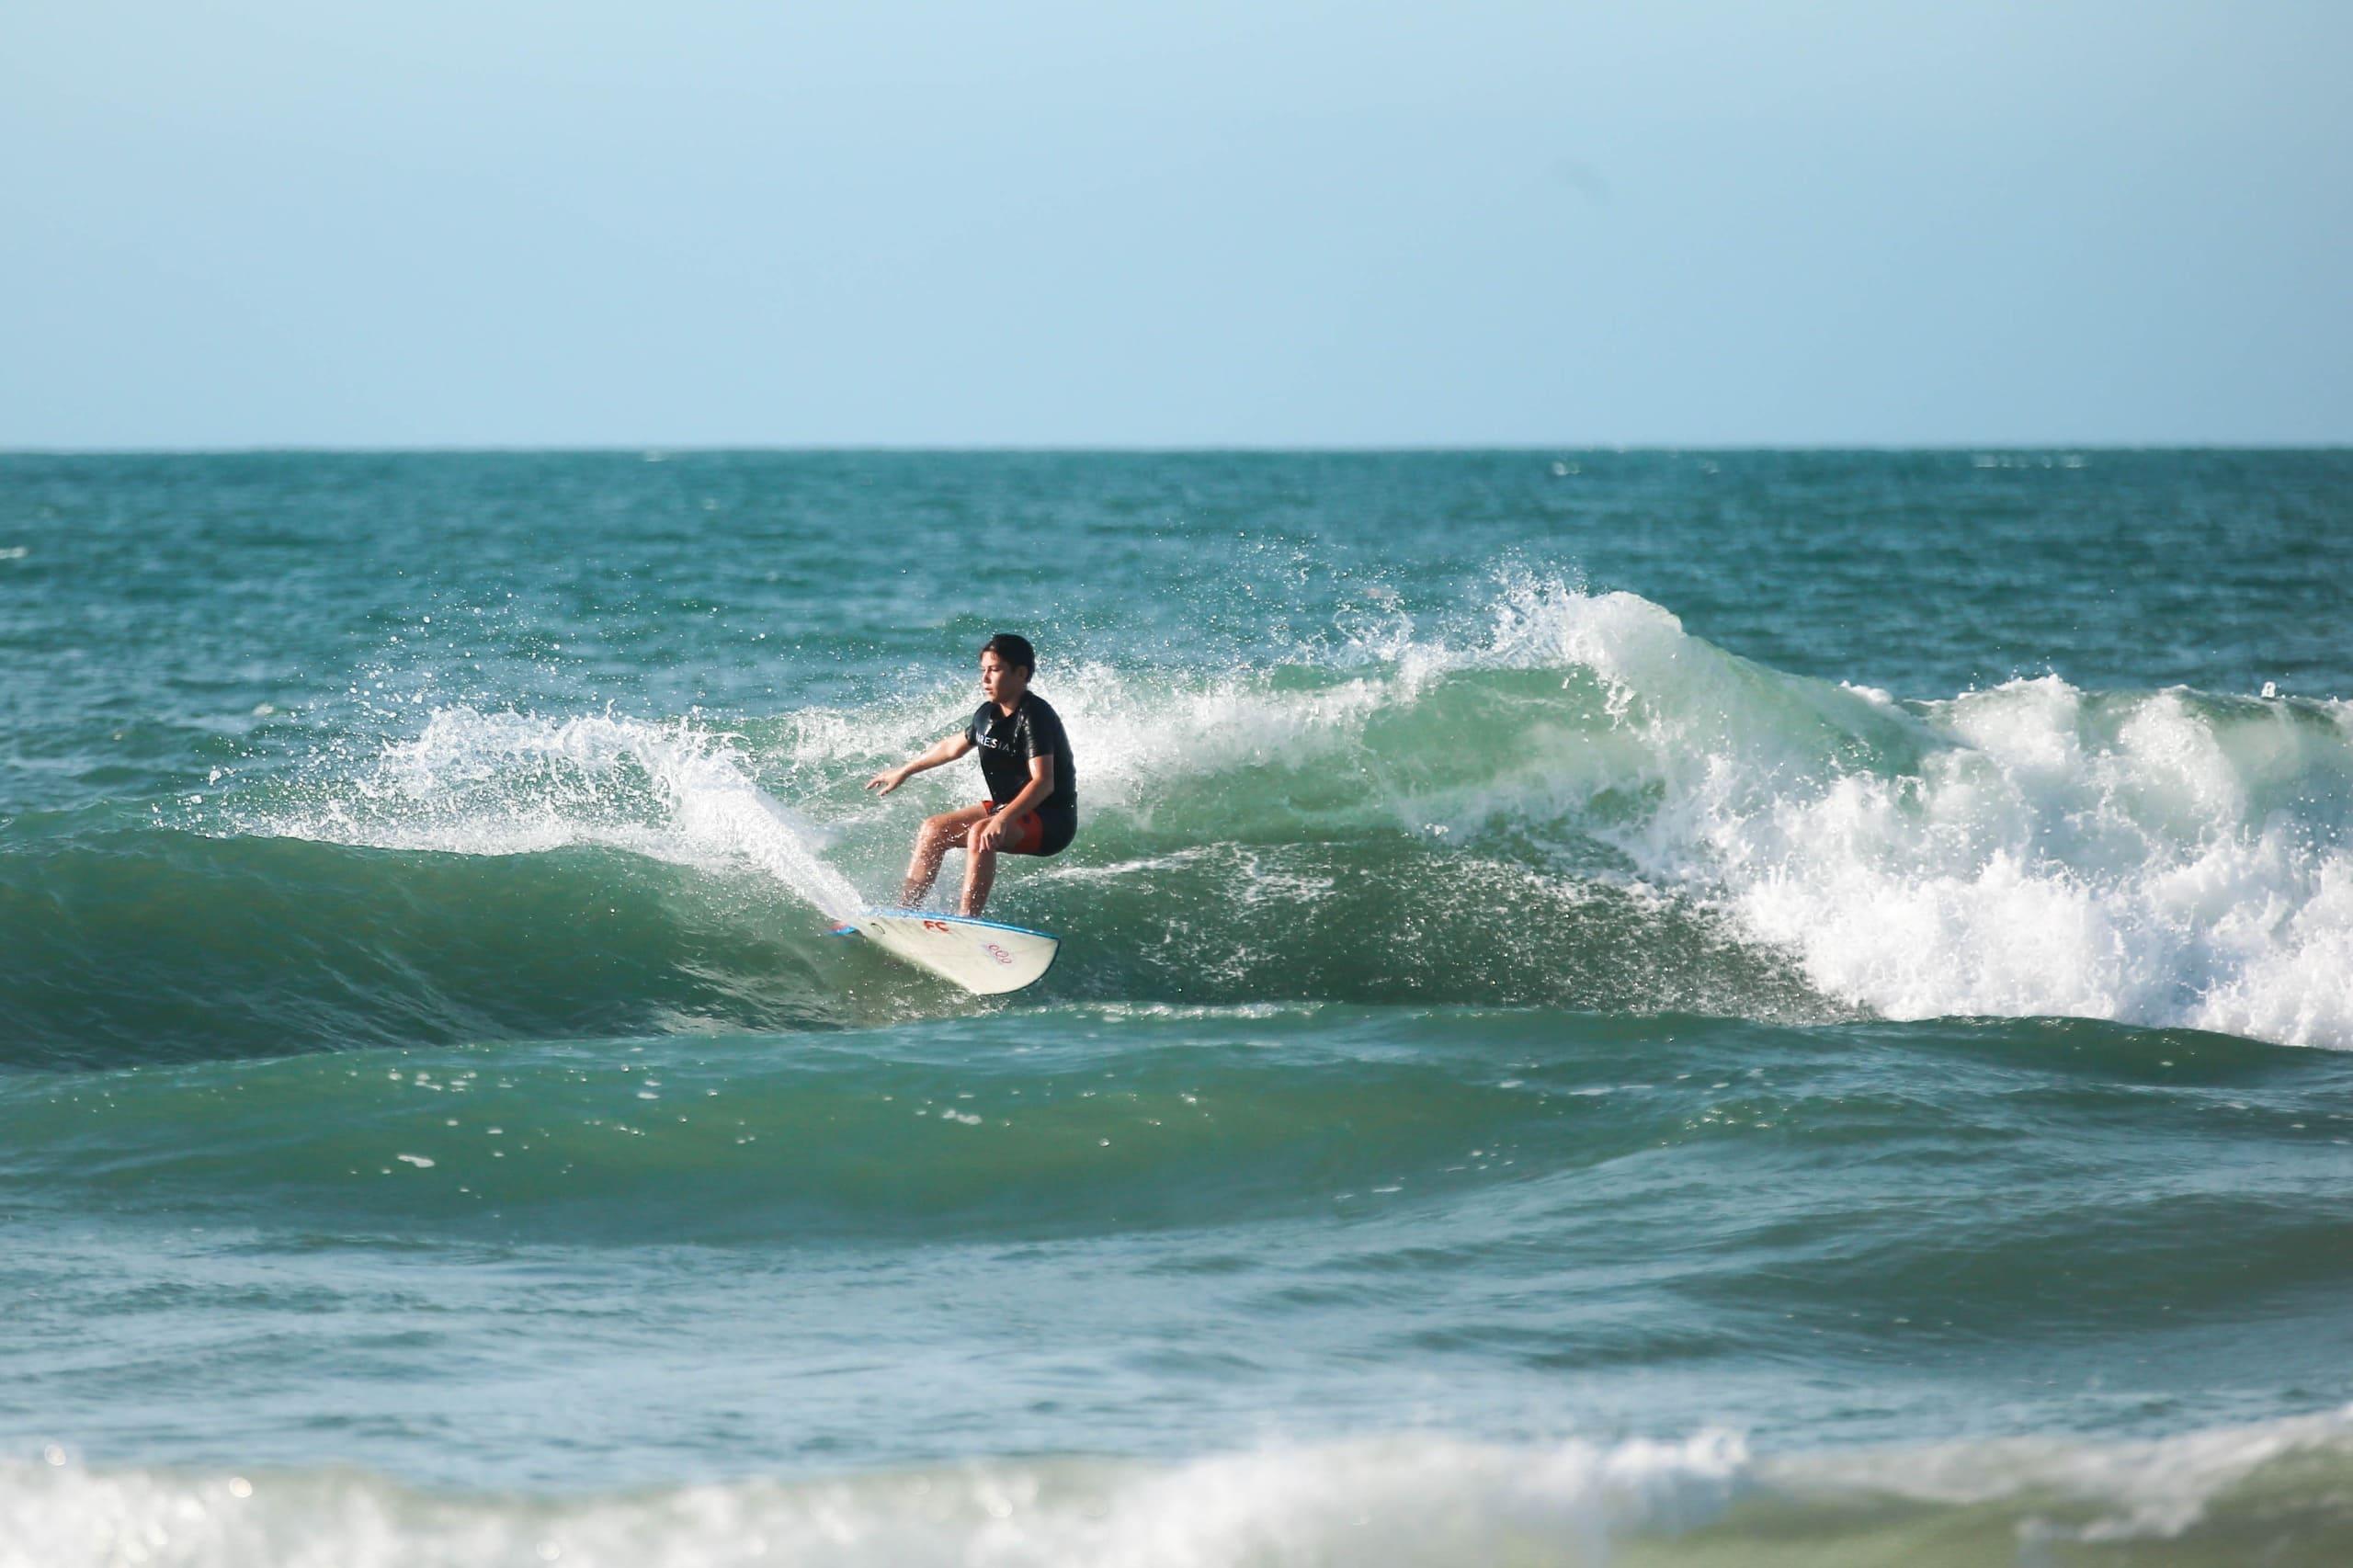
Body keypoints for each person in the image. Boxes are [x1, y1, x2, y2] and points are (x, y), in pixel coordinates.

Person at [864, 633, 1077, 916]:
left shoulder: (1035, 716)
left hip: (1050, 821)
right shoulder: (986, 714)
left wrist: (1001, 819)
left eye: (995, 669)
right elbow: (952, 747)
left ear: (1021, 673)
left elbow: (1043, 782)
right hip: (1009, 810)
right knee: (934, 829)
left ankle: (967, 923)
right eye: (983, 671)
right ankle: (906, 913)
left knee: (980, 832)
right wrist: (904, 771)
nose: (985, 678)